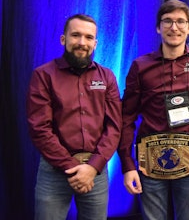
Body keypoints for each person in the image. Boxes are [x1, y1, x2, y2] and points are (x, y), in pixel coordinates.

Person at [117, 0, 189, 220]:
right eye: (167, 21)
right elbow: (126, 118)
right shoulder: (140, 67)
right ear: (158, 27)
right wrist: (127, 164)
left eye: (181, 22)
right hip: (150, 162)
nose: (174, 27)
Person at [26, 14, 122, 220]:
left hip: (95, 171)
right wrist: (72, 168)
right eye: (75, 35)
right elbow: (39, 128)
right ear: (63, 39)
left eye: (88, 37)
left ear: (95, 43)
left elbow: (114, 127)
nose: (82, 42)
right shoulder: (43, 75)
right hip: (54, 171)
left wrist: (92, 167)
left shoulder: (107, 77)